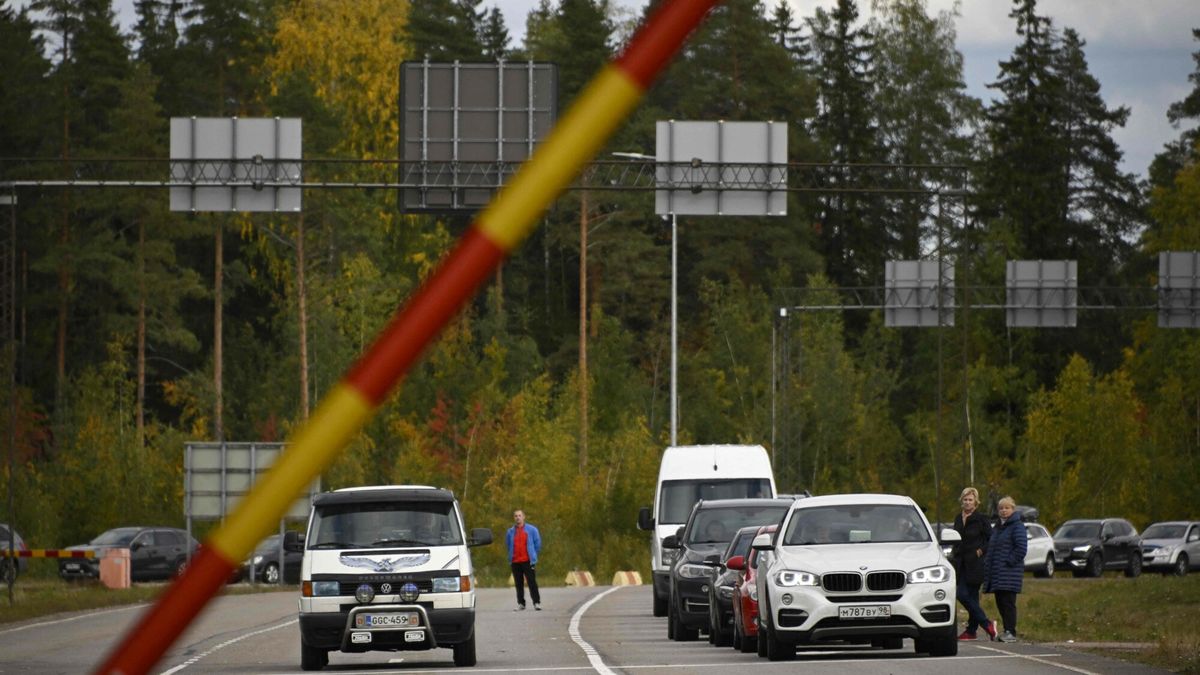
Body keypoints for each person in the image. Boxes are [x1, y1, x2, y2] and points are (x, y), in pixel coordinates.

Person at [953, 487, 997, 641]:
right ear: (961, 501)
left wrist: (980, 551)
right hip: (960, 563)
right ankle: (972, 630)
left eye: (970, 500)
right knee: (970, 597)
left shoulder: (981, 519)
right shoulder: (958, 518)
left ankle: (985, 624)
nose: (967, 502)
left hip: (975, 563)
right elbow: (955, 538)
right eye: (965, 499)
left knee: (964, 595)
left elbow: (991, 538)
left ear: (976, 502)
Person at [983, 496, 1027, 642]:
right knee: (1000, 602)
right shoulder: (998, 527)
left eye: (1007, 508)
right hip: (997, 573)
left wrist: (1008, 562)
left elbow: (1021, 548)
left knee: (1008, 603)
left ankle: (1011, 631)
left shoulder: (1017, 526)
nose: (1003, 511)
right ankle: (1006, 629)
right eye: (1001, 508)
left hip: (1009, 572)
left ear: (1013, 509)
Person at [506, 509, 542, 611]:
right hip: (515, 561)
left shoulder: (532, 530)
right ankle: (521, 603)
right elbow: (509, 545)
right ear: (514, 518)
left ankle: (536, 602)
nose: (518, 518)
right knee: (518, 583)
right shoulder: (510, 532)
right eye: (516, 516)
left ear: (523, 517)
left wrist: (533, 554)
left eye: (519, 515)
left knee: (532, 582)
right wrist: (511, 556)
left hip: (528, 560)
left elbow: (537, 544)